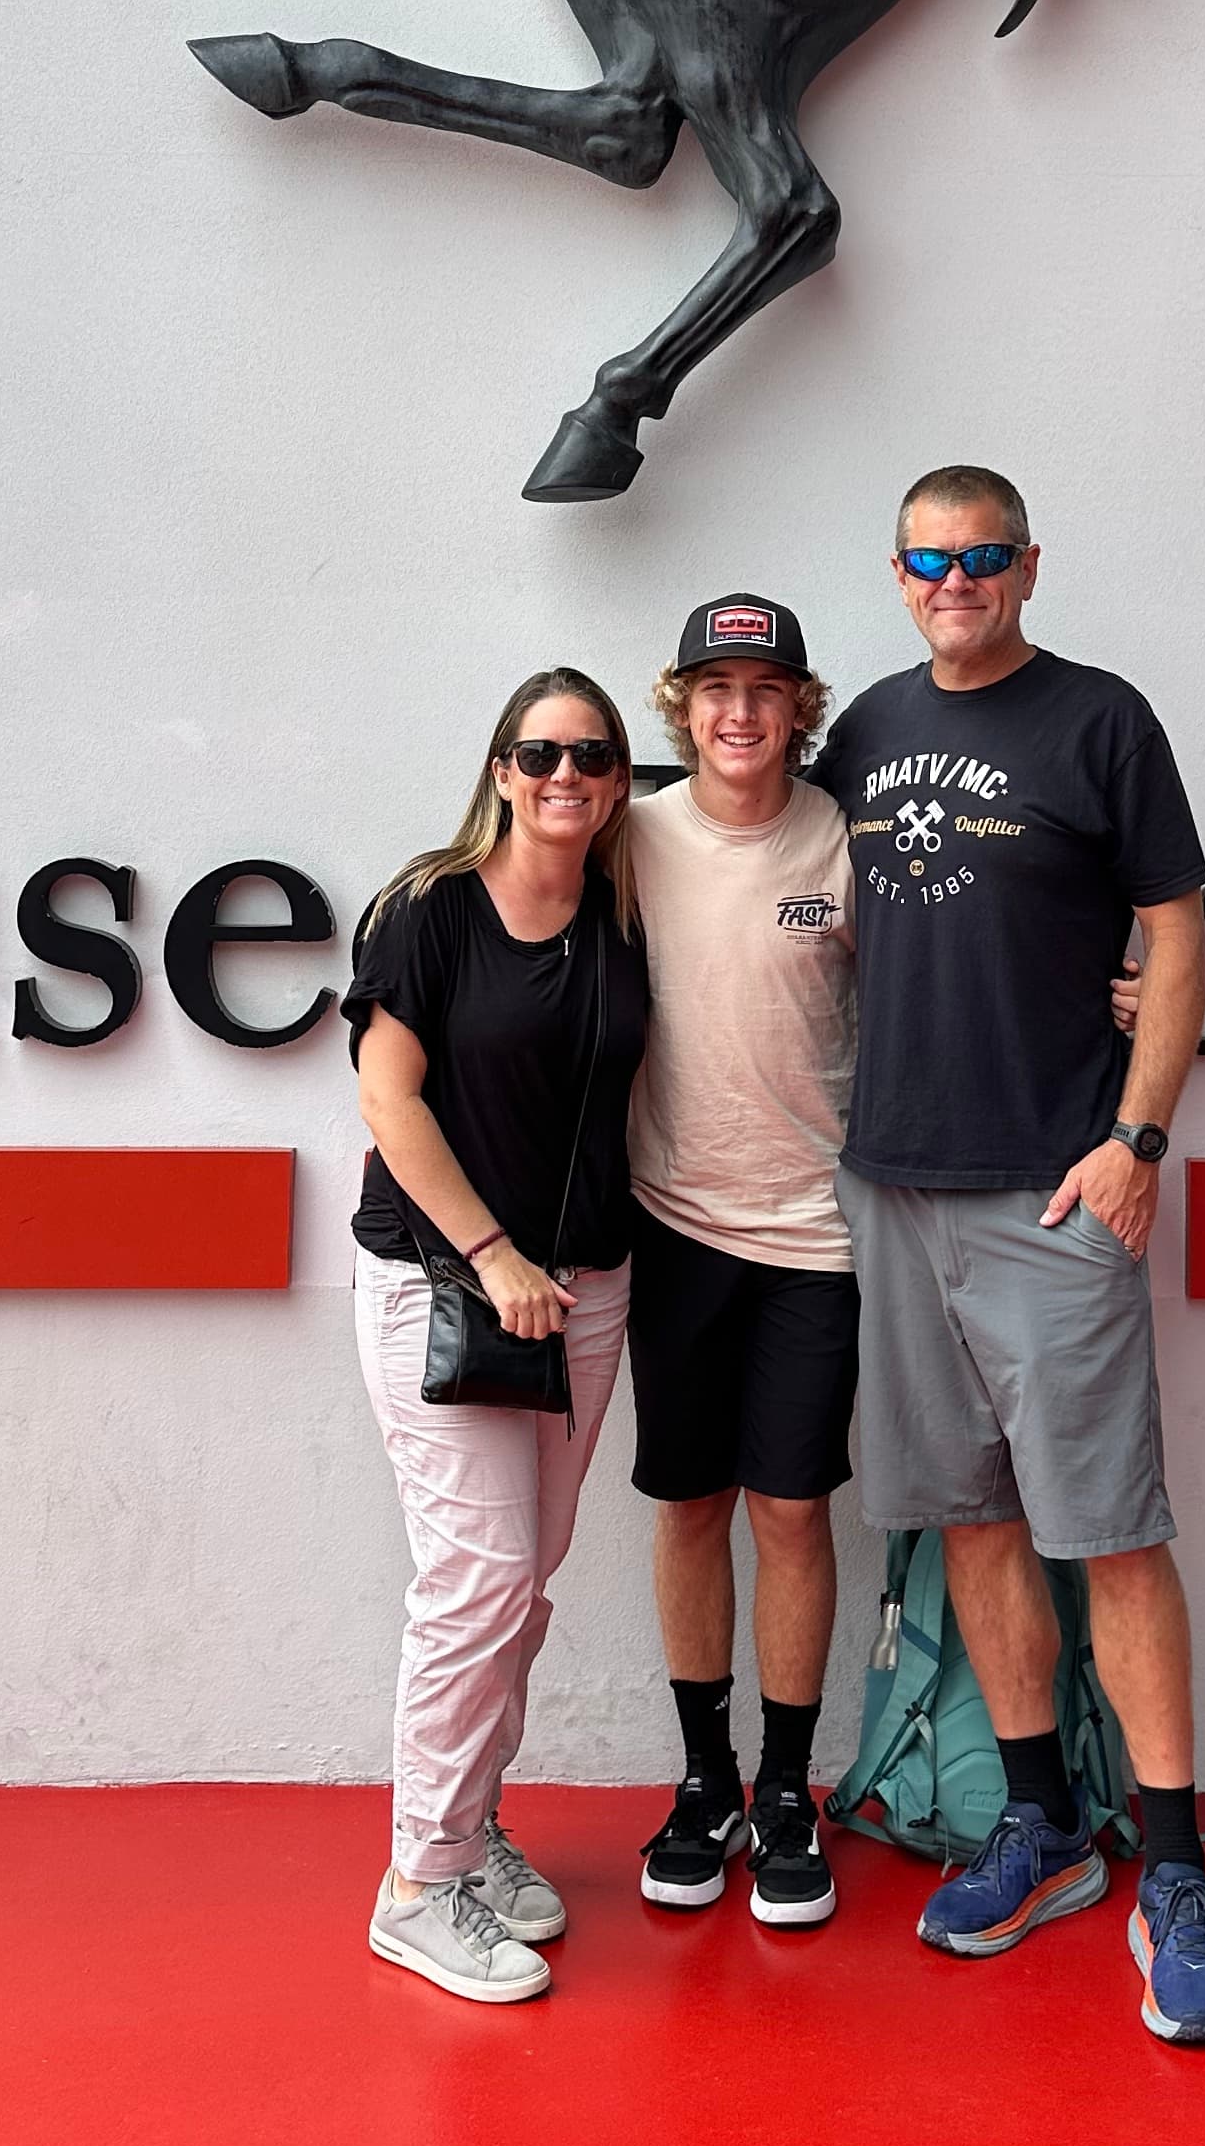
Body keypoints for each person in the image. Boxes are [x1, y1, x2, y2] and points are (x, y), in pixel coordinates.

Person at [815, 466, 1205, 2048]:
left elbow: (1178, 929)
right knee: (972, 1520)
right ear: (900, 570)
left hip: (1056, 1193)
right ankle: (1044, 1821)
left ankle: (1183, 1878)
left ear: (1028, 566)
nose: (956, 581)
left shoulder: (1100, 721)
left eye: (982, 557)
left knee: (1112, 1531)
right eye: (929, 560)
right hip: (893, 1184)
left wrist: (1138, 1142)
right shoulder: (857, 727)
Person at [344, 669, 652, 2007]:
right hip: (445, 1282)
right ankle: (418, 1884)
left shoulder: (627, 918)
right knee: (476, 1579)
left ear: (621, 777)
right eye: (540, 753)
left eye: (591, 754)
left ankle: (469, 1834)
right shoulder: (429, 910)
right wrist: (491, 1252)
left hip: (582, 1294)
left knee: (522, 1587)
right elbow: (386, 1098)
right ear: (502, 770)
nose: (564, 773)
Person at [626, 596, 858, 1930]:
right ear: (682, 705)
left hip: (817, 1237)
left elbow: (937, 987)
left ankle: (784, 1790)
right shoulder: (632, 835)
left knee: (792, 1512)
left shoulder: (843, 835)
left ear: (798, 707)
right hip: (672, 1227)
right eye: (716, 688)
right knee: (689, 1506)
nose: (740, 714)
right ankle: (704, 1778)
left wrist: (1103, 991)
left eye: (766, 688)